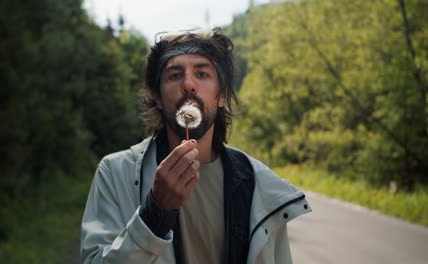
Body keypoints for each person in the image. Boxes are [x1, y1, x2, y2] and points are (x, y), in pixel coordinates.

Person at [80, 27, 311, 264]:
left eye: (202, 74)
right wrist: (155, 214)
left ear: (221, 96)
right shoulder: (115, 173)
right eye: (175, 75)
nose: (189, 84)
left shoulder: (259, 185)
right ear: (158, 98)